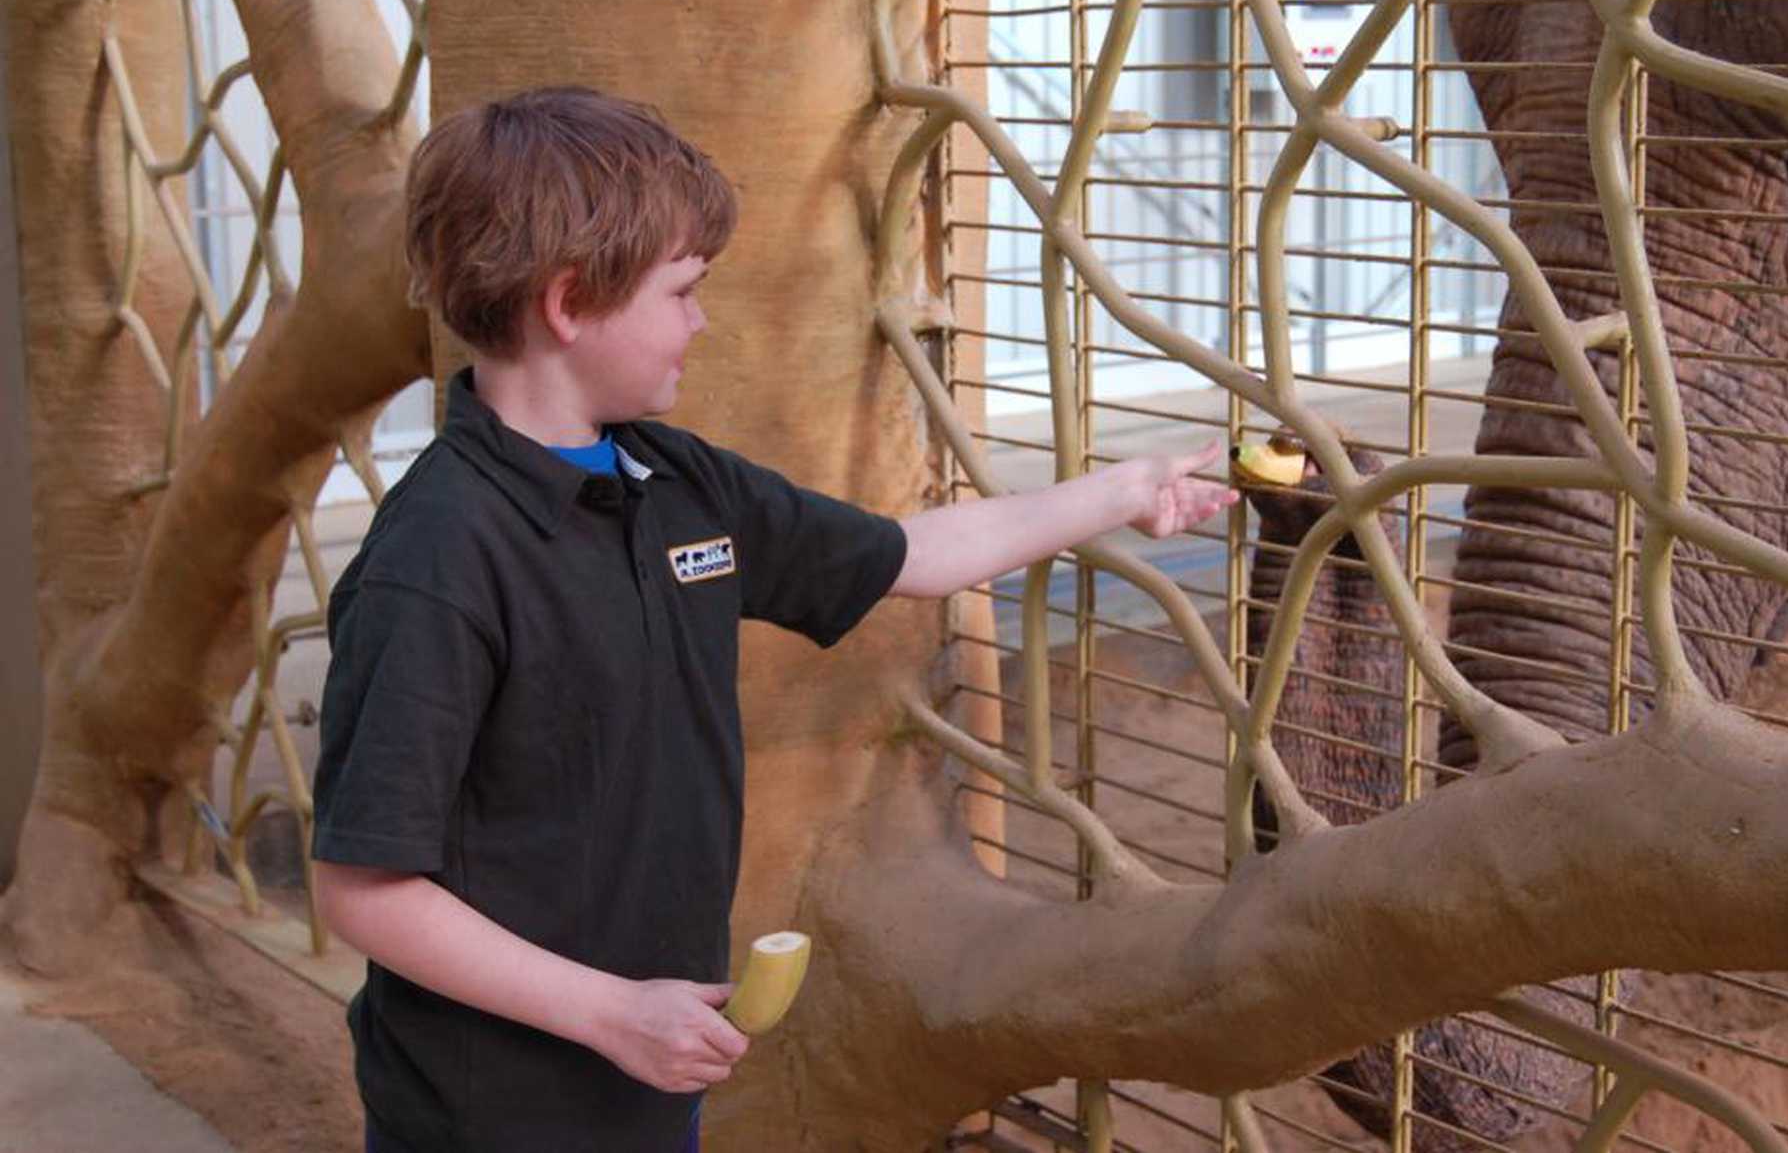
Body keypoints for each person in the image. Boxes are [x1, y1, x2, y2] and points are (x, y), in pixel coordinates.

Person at [310, 86, 1236, 1153]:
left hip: (651, 1067)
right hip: (494, 1111)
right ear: (570, 302)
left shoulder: (677, 479)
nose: (701, 320)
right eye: (683, 290)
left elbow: (911, 555)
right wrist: (611, 1012)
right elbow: (365, 887)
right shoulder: (436, 558)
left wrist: (1119, 495)